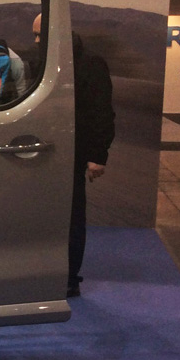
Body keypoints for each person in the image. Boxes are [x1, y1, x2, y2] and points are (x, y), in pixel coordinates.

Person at [67, 30, 115, 297]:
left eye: (39, 35)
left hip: (77, 152)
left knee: (74, 216)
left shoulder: (92, 65)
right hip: (62, 150)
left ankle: (70, 278)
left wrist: (97, 155)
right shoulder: (58, 65)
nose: (36, 41)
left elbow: (102, 111)